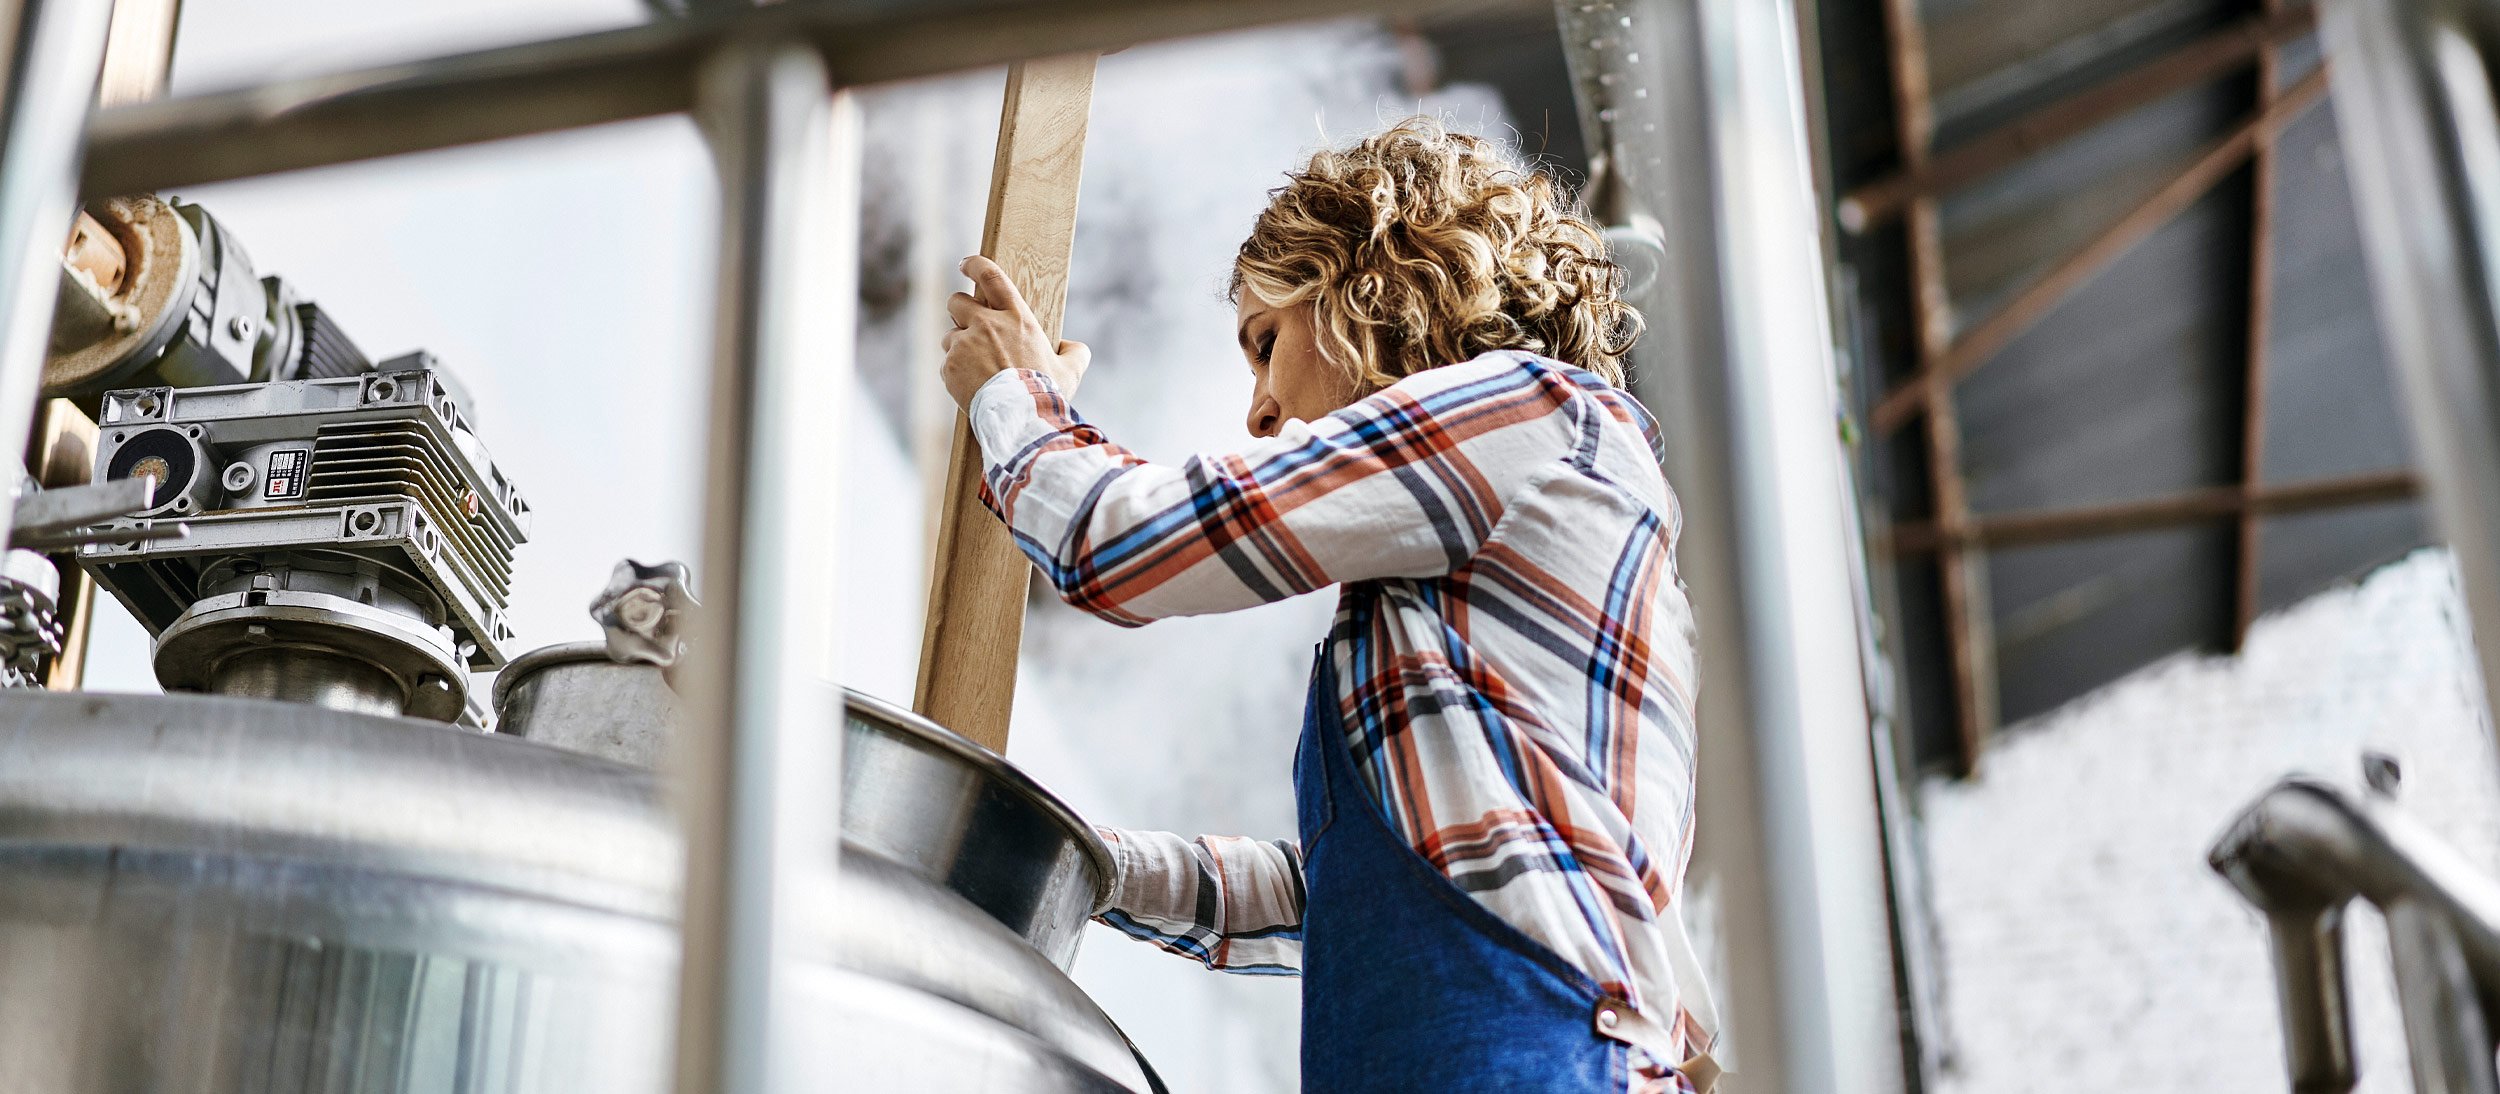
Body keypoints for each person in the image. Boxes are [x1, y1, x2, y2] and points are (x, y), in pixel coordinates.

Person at [939, 117, 1717, 1094]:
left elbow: (1118, 545)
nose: (1259, 409)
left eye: (1267, 343)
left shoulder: (1531, 417)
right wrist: (1076, 859)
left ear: (1373, 289)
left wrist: (1015, 395)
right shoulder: (1497, 547)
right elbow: (1351, 894)